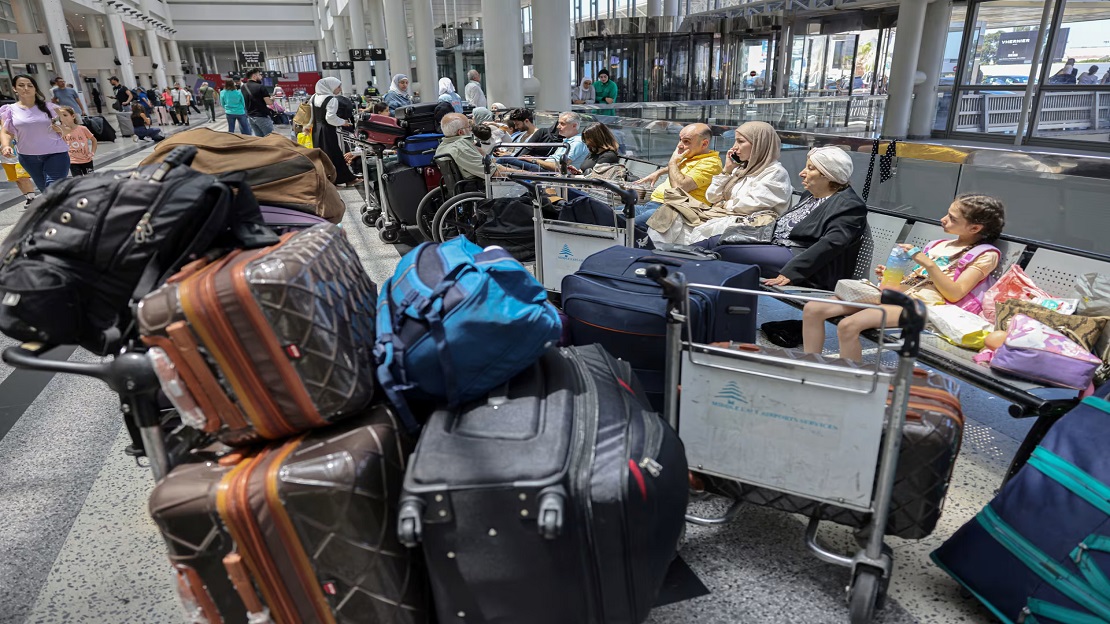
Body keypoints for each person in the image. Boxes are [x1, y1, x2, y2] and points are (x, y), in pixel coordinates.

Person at [802, 194, 1005, 361]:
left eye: (953, 218)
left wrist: (927, 262)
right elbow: (917, 281)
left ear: (975, 228)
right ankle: (810, 366)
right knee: (814, 308)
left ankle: (852, 381)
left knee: (849, 325)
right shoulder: (937, 244)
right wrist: (890, 278)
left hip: (926, 308)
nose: (944, 219)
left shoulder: (986, 255)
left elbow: (954, 293)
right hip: (901, 296)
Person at [710, 146, 866, 291]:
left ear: (828, 175)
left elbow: (831, 244)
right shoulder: (811, 195)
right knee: (712, 241)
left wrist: (793, 272)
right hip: (778, 244)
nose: (802, 173)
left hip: (803, 261)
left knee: (723, 252)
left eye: (810, 168)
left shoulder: (849, 206)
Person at [674, 121, 793, 244]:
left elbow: (752, 204)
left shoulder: (775, 173)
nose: (734, 147)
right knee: (671, 216)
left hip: (745, 229)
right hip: (722, 218)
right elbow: (711, 197)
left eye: (741, 141)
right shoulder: (740, 169)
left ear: (759, 145)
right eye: (735, 141)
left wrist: (725, 204)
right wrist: (726, 170)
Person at [632, 123, 722, 226]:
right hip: (653, 204)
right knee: (611, 213)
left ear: (704, 144)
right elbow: (680, 166)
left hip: (673, 210)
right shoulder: (691, 156)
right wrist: (659, 172)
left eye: (686, 141)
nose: (679, 145)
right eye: (680, 139)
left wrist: (672, 162)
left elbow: (679, 187)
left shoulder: (711, 163)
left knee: (626, 225)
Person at [0, 75, 70, 191]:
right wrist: (6, 146)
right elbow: (6, 131)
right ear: (14, 88)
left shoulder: (51, 108)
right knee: (45, 191)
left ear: (35, 89)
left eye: (30, 85)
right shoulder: (9, 110)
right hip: (28, 157)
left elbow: (69, 128)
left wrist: (61, 129)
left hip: (56, 154)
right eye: (21, 85)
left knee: (52, 188)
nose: (25, 88)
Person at [436, 112, 520, 180]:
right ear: (460, 132)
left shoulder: (442, 146)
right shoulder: (460, 147)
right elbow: (493, 171)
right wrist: (527, 174)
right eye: (468, 127)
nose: (470, 129)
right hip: (481, 185)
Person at [311, 77, 358, 187]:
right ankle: (347, 179)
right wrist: (343, 122)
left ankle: (328, 179)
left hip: (316, 129)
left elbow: (311, 114)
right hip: (327, 130)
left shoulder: (314, 97)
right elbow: (330, 118)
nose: (340, 89)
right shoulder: (331, 99)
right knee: (335, 154)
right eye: (338, 86)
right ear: (330, 87)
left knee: (322, 155)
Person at [57, 106, 96, 176]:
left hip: (87, 160)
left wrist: (92, 153)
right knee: (78, 182)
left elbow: (94, 141)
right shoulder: (61, 132)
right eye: (60, 116)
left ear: (73, 116)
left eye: (65, 115)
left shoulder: (83, 129)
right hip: (73, 162)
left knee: (91, 180)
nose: (63, 118)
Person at [241, 70, 274, 137]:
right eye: (259, 75)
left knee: (259, 138)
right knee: (270, 138)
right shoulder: (260, 87)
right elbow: (269, 102)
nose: (261, 77)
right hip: (262, 116)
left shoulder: (243, 87)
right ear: (254, 76)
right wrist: (273, 100)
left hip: (251, 116)